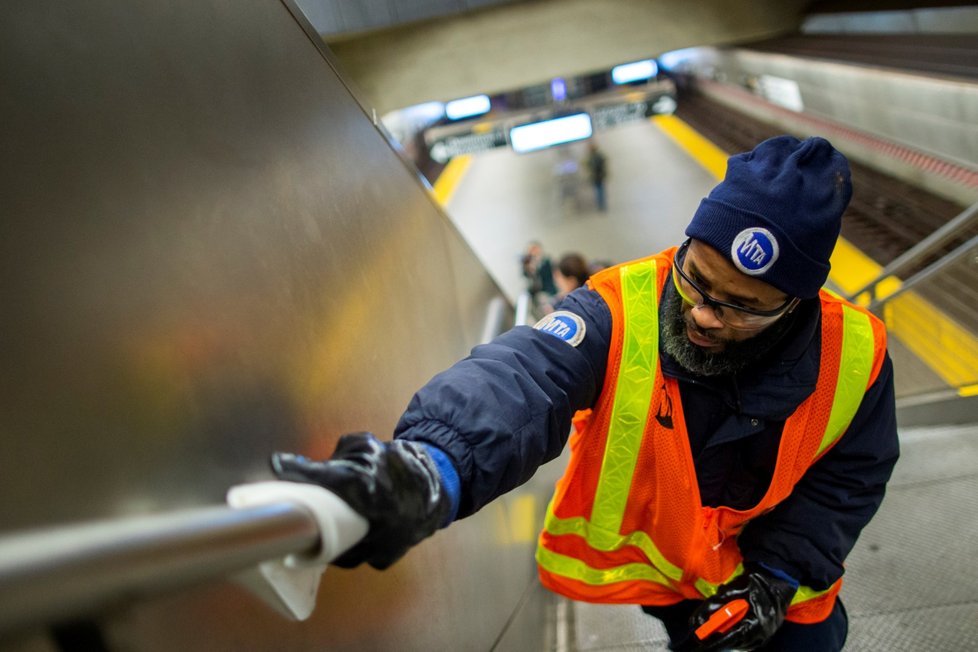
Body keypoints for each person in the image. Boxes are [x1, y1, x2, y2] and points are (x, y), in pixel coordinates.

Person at [271, 136, 899, 652]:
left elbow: (853, 474)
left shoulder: (855, 356)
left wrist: (778, 577)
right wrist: (427, 468)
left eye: (743, 308)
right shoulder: (619, 309)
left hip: (787, 601)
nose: (706, 316)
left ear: (797, 303)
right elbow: (523, 379)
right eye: (697, 280)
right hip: (675, 590)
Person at [521, 240, 557, 308]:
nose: (533, 252)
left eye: (534, 249)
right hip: (536, 292)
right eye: (531, 250)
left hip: (549, 291)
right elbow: (525, 275)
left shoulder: (547, 261)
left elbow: (551, 274)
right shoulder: (528, 263)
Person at [585, 141, 608, 211]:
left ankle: (601, 205)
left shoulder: (596, 156)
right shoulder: (594, 156)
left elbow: (602, 163)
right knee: (599, 191)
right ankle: (601, 205)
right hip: (597, 176)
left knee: (599, 191)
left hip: (598, 176)